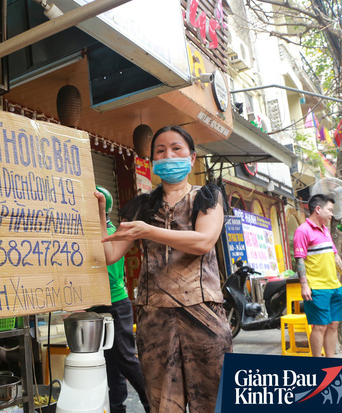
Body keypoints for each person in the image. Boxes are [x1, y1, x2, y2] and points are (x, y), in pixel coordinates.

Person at [95, 125, 232, 413]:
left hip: (203, 314)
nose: (168, 155)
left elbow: (204, 241)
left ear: (192, 157)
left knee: (212, 399)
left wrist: (148, 231)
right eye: (160, 151)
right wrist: (99, 214)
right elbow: (110, 254)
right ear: (153, 161)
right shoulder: (142, 206)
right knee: (162, 404)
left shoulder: (208, 197)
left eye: (176, 148)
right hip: (154, 319)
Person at [93, 185, 150, 413]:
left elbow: (109, 269)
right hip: (100, 304)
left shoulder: (111, 232)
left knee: (125, 358)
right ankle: (117, 408)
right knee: (111, 363)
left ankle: (152, 403)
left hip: (115, 304)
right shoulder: (95, 231)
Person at [293, 194, 342, 357]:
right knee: (320, 326)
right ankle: (317, 365)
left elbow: (335, 256)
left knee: (334, 324)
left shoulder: (326, 231)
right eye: (329, 210)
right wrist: (304, 285)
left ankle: (331, 362)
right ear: (318, 209)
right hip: (317, 288)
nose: (331, 214)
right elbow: (299, 260)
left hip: (335, 287)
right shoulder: (303, 231)